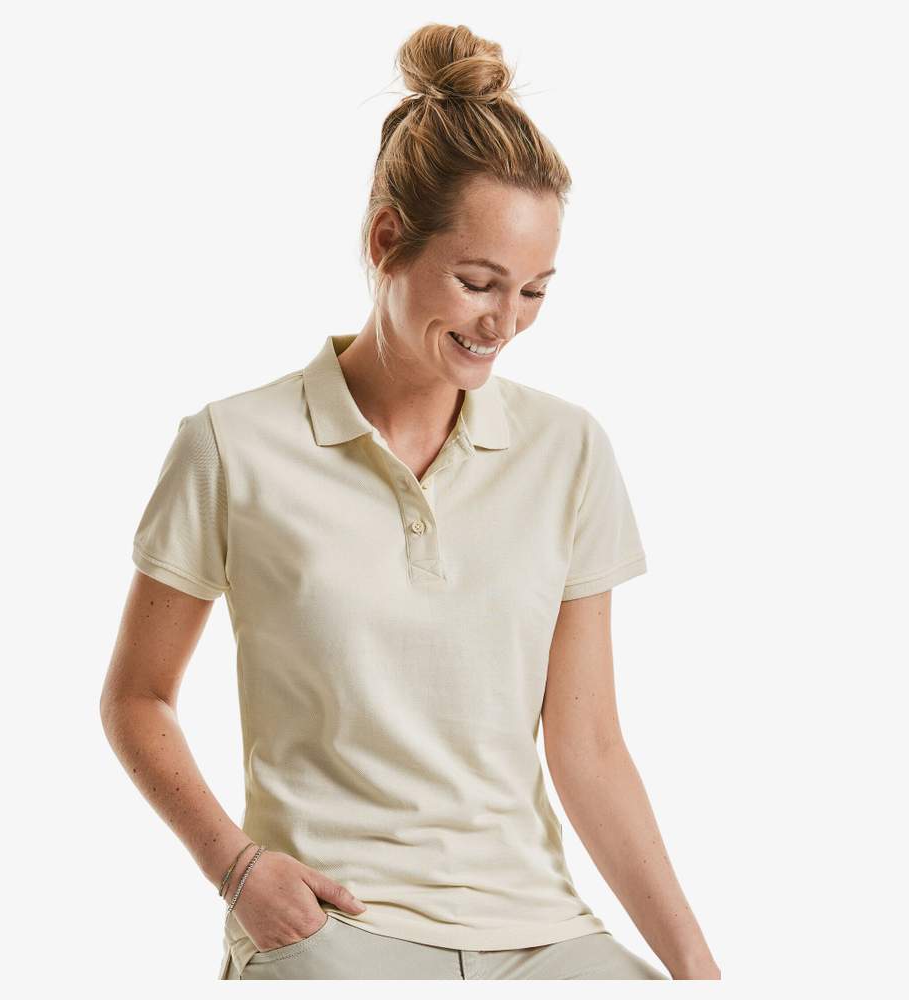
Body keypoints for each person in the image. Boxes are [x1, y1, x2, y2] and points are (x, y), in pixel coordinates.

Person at [100, 22, 720, 981]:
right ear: (388, 239)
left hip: (539, 931)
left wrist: (700, 973)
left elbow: (589, 744)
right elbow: (137, 696)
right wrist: (236, 870)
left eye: (534, 292)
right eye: (478, 282)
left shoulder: (568, 451)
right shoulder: (232, 446)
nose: (503, 322)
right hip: (333, 926)